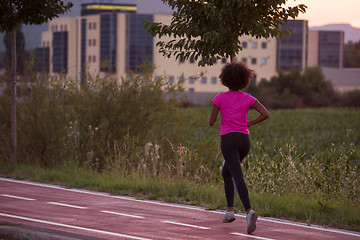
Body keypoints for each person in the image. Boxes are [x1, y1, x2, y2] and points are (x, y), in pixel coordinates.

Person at [209, 61, 269, 234]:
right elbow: (265, 114)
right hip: (244, 141)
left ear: (224, 79)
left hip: (228, 140)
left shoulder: (219, 98)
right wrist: (250, 122)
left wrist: (218, 113)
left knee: (237, 175)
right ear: (244, 80)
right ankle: (229, 212)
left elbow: (211, 122)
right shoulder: (249, 98)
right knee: (226, 173)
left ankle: (249, 211)